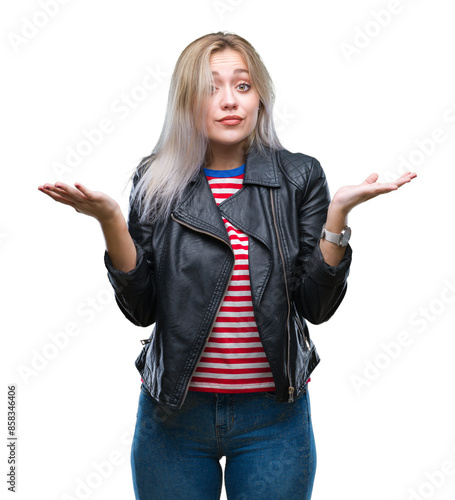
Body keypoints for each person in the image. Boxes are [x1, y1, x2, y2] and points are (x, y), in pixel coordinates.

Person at [38, 31, 416, 500]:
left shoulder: (298, 176)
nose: (228, 101)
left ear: (260, 97)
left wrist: (337, 216)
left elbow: (316, 307)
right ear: (186, 101)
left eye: (242, 85)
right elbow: (142, 310)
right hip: (173, 418)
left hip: (274, 419)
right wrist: (111, 220)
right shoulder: (155, 179)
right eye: (210, 87)